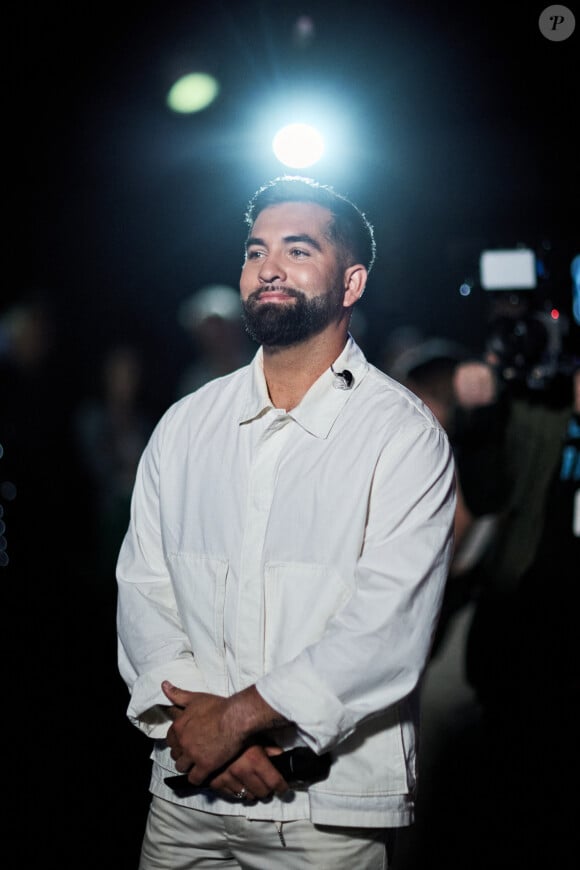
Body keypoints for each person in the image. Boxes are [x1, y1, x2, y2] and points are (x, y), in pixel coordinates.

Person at [116, 175, 456, 869]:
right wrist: (198, 725)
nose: (268, 266)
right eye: (254, 251)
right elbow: (143, 592)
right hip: (187, 796)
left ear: (352, 282)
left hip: (326, 814)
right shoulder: (186, 425)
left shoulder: (402, 436)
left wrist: (235, 722)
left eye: (297, 250)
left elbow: (384, 629)